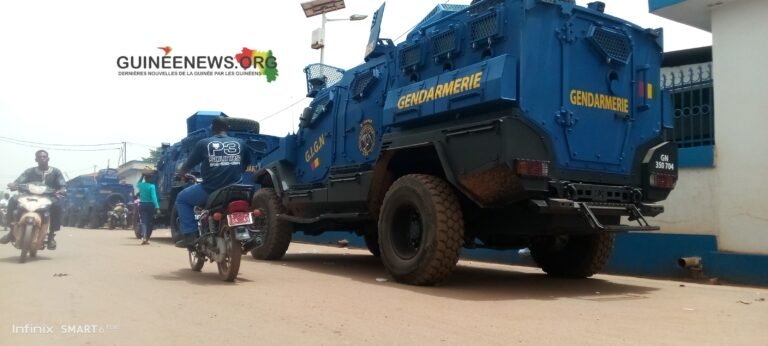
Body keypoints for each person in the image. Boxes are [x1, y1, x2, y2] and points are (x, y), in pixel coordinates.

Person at [174, 116, 249, 248]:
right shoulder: (240, 143)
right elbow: (246, 164)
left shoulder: (204, 143)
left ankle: (190, 235)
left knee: (182, 199)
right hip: (237, 189)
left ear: (212, 128)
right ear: (228, 128)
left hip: (211, 188)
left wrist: (181, 174)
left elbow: (188, 165)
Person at [0, 150, 66, 249]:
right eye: (39, 157)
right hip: (28, 196)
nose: (42, 158)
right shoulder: (29, 171)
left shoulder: (56, 172)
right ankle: (11, 231)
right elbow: (19, 180)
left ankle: (51, 236)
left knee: (57, 205)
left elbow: (62, 184)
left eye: (44, 157)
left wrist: (62, 189)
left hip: (48, 197)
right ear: (36, 159)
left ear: (48, 159)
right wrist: (14, 185)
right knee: (13, 200)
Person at [136, 169, 160, 245]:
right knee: (150, 222)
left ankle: (144, 237)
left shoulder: (141, 185)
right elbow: (154, 197)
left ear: (145, 178)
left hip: (142, 205)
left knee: (144, 222)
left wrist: (142, 176)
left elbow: (138, 183)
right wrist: (157, 207)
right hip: (150, 205)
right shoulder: (152, 186)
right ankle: (147, 238)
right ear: (150, 178)